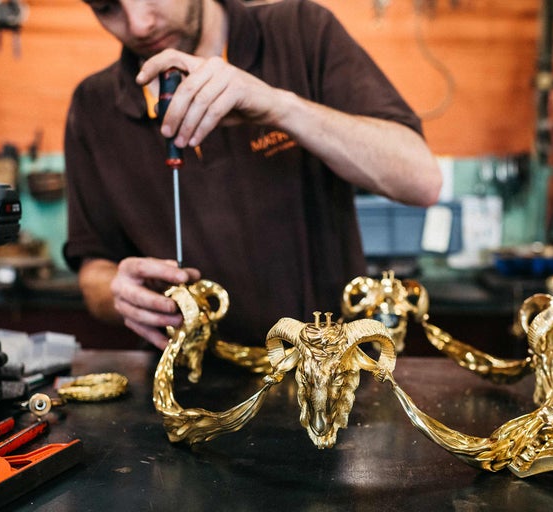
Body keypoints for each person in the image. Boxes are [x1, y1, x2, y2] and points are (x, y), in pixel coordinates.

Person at [64, 0, 443, 350]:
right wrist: (117, 293)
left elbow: (421, 180)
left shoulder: (301, 32)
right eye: (106, 6)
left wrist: (279, 107)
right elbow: (94, 265)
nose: (140, 23)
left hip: (332, 378)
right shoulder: (93, 104)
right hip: (193, 391)